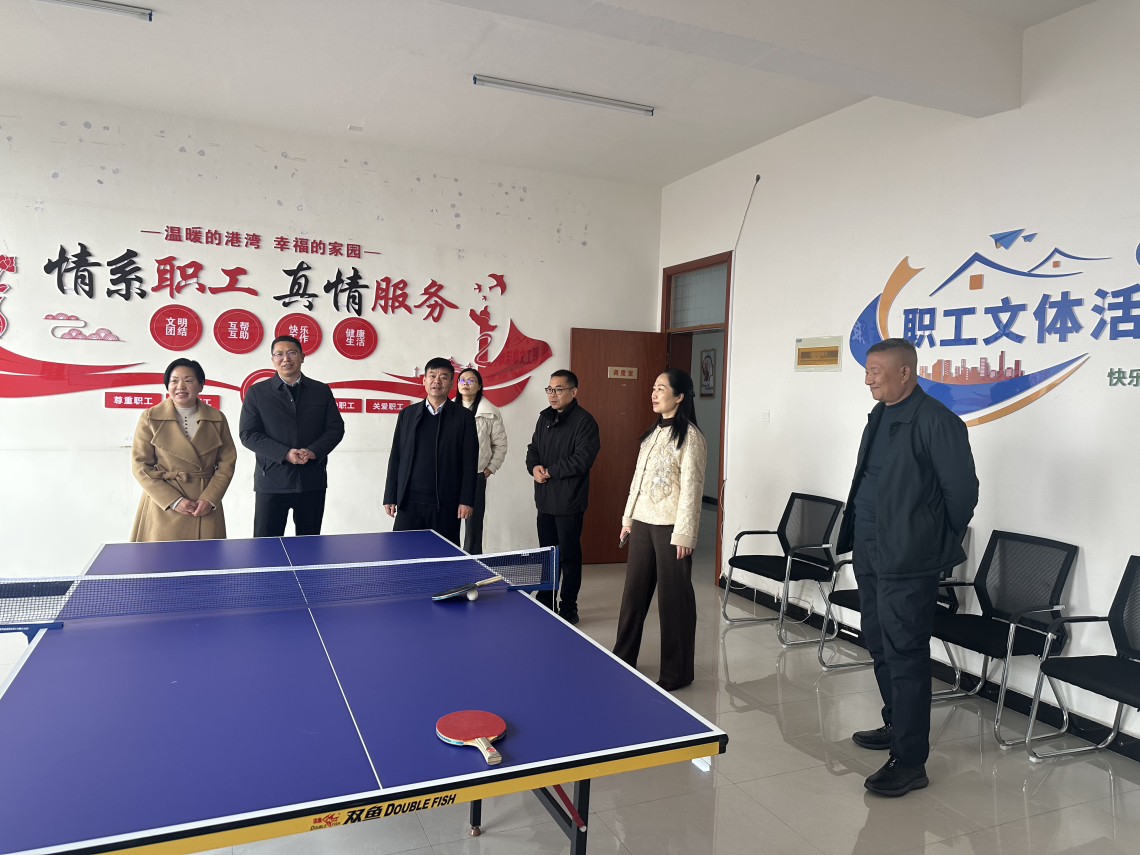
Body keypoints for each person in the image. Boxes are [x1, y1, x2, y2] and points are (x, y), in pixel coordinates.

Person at [838, 337, 978, 797]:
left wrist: (930, 542)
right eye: (866, 370)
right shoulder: (879, 415)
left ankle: (910, 760)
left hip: (908, 557)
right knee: (878, 641)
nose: (867, 379)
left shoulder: (937, 421)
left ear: (905, 372)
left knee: (905, 652)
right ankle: (897, 724)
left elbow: (963, 494)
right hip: (870, 550)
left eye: (875, 371)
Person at [613, 369, 706, 690]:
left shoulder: (691, 437)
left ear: (679, 396)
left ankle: (677, 673)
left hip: (671, 528)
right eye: (653, 388)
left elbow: (692, 489)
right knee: (633, 595)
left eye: (661, 389)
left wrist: (685, 534)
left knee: (673, 600)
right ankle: (622, 657)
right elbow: (637, 481)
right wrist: (628, 519)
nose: (654, 394)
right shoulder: (652, 434)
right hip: (642, 522)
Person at [239, 335, 345, 537]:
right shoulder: (257, 393)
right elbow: (248, 434)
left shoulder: (321, 391)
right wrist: (285, 453)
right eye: (279, 354)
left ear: (302, 357)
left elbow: (335, 428)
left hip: (311, 480)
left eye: (291, 353)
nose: (285, 359)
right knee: (266, 544)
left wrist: (313, 451)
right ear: (272, 360)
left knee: (309, 543)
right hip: (271, 481)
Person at [130, 358, 237, 542]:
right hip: (163, 505)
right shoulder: (150, 417)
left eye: (188, 380)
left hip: (203, 505)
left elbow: (227, 462)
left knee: (205, 558)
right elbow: (140, 466)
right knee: (161, 558)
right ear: (167, 385)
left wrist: (210, 499)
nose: (180, 386)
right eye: (174, 381)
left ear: (201, 385)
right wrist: (173, 500)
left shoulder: (217, 418)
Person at [525, 370, 600, 624]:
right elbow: (533, 448)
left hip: (569, 501)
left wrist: (551, 471)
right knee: (547, 554)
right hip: (545, 499)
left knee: (568, 556)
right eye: (550, 389)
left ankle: (569, 606)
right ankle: (546, 600)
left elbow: (583, 459)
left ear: (573, 392)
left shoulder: (585, 421)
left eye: (558, 389)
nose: (552, 394)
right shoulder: (544, 418)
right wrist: (534, 467)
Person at [383, 357, 479, 545]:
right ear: (424, 380)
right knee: (402, 552)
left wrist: (466, 500)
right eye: (432, 376)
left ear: (451, 383)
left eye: (444, 377)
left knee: (444, 556)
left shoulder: (463, 417)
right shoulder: (407, 414)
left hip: (446, 504)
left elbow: (470, 461)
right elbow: (396, 457)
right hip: (409, 503)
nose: (437, 381)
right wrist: (390, 495)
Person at [456, 367, 508, 553]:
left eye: (471, 380)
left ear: (479, 386)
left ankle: (473, 563)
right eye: (462, 380)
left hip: (476, 475)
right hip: (450, 475)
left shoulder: (489, 412)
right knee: (448, 523)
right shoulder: (448, 410)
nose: (466, 384)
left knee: (474, 525)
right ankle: (450, 563)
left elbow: (500, 444)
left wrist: (491, 467)